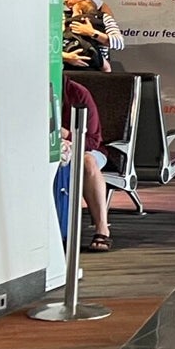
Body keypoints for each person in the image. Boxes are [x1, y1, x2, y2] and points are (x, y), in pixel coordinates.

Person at [60, 77, 114, 252]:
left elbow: (92, 141)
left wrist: (66, 135)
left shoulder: (78, 94)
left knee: (87, 161)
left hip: (87, 149)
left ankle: (102, 227)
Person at [60, 0, 121, 71]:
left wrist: (92, 33)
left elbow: (119, 43)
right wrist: (66, 56)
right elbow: (50, 46)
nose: (65, 0)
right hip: (66, 71)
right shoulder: (61, 17)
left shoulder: (103, 17)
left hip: (96, 73)